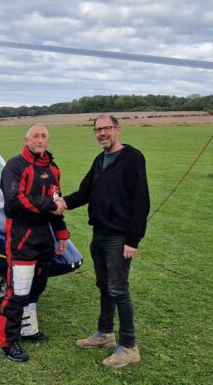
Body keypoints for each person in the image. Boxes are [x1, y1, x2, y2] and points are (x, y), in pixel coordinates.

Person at [61, 114, 150, 368]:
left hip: (119, 237)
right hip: (99, 234)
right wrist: (63, 203)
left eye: (106, 129)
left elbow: (141, 200)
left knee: (119, 290)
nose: (102, 133)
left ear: (117, 130)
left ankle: (130, 347)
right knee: (104, 286)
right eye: (98, 130)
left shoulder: (132, 158)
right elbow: (85, 192)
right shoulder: (100, 160)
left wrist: (133, 240)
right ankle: (105, 334)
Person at [0, 123, 69, 362]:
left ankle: (27, 330)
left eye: (44, 136)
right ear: (26, 140)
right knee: (18, 291)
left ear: (48, 140)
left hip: (44, 238)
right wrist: (50, 204)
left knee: (36, 287)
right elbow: (14, 201)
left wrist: (61, 233)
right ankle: (7, 343)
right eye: (35, 135)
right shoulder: (15, 166)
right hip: (21, 236)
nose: (40, 139)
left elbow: (56, 202)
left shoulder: (53, 168)